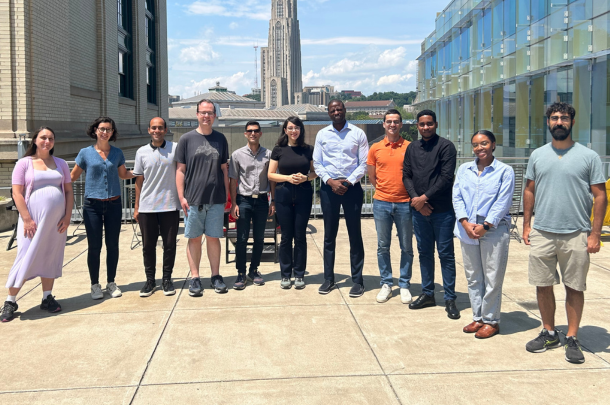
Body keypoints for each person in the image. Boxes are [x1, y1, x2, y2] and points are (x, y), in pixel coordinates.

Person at [523, 102, 607, 364]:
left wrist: (595, 233)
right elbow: (529, 190)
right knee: (543, 285)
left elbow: (600, 195)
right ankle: (549, 332)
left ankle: (572, 336)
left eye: (564, 118)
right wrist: (526, 225)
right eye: (554, 118)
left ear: (572, 121)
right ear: (548, 122)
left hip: (577, 233)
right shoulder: (537, 155)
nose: (559, 122)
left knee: (574, 287)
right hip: (543, 232)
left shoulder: (588, 157)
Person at [1, 128, 74, 322]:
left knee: (50, 255)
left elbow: (68, 191)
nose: (47, 141)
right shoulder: (24, 164)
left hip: (56, 222)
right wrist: (26, 218)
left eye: (50, 138)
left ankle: (46, 297)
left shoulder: (61, 164)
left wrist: (67, 217)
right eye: (43, 137)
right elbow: (16, 193)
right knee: (25, 256)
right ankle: (11, 300)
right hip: (31, 221)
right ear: (35, 140)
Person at [453, 130, 515, 339]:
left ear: (494, 145)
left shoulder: (505, 171)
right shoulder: (464, 169)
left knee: (492, 277)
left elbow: (503, 201)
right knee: (473, 277)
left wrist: (486, 226)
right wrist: (464, 222)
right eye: (476, 145)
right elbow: (457, 196)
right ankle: (478, 317)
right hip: (467, 228)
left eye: (484, 143)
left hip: (494, 230)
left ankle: (491, 320)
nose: (480, 148)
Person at [402, 109, 460, 319]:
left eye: (429, 124)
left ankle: (450, 298)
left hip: (443, 211)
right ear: (417, 126)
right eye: (422, 124)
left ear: (436, 124)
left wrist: (423, 198)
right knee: (424, 253)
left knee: (446, 255)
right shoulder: (412, 148)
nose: (425, 127)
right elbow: (406, 175)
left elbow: (446, 178)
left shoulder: (446, 147)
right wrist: (417, 201)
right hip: (420, 211)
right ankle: (428, 293)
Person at [71, 117, 134, 300]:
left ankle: (111, 282)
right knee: (94, 247)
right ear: (95, 131)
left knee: (112, 245)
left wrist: (143, 172)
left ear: (113, 132)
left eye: (109, 129)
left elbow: (123, 175)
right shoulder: (85, 153)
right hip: (93, 206)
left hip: (114, 205)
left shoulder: (117, 153)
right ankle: (95, 284)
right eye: (102, 129)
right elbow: (72, 176)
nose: (105, 132)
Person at [313, 99, 369, 297]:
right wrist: (330, 182)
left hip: (351, 189)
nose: (336, 112)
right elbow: (317, 163)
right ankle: (329, 278)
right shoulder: (322, 134)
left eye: (339, 109)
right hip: (329, 190)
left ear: (345, 110)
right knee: (329, 235)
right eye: (332, 110)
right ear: (328, 113)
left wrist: (347, 182)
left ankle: (358, 280)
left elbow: (364, 164)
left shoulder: (357, 133)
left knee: (355, 234)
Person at [175, 99, 230, 296]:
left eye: (210, 113)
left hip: (216, 199)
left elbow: (224, 169)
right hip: (193, 200)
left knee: (214, 238)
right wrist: (181, 197)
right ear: (197, 114)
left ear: (214, 116)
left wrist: (227, 195)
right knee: (194, 239)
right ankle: (195, 278)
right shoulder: (186, 139)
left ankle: (216, 276)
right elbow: (180, 170)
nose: (206, 116)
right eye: (203, 112)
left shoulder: (221, 139)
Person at [367, 109, 414, 304]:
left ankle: (404, 284)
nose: (392, 125)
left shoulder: (411, 147)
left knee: (406, 247)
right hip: (382, 203)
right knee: (382, 246)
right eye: (389, 121)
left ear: (401, 124)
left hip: (405, 204)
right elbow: (372, 175)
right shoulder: (375, 148)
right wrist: (385, 192)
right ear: (383, 124)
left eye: (396, 121)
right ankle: (386, 283)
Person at [133, 117, 180, 297]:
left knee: (169, 245)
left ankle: (167, 280)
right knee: (148, 246)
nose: (157, 130)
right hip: (147, 207)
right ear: (149, 130)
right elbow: (139, 180)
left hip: (170, 205)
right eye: (154, 127)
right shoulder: (141, 152)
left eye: (160, 128)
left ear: (165, 130)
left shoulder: (175, 148)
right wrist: (136, 207)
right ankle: (150, 281)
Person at [268, 116, 317, 289]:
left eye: (296, 128)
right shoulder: (278, 149)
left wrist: (305, 177)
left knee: (300, 236)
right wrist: (288, 178)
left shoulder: (308, 149)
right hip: (283, 195)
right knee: (286, 236)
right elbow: (271, 174)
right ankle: (285, 274)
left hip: (303, 195)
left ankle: (299, 273)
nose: (293, 131)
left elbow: (314, 172)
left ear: (301, 130)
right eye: (290, 128)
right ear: (285, 130)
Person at [229, 121, 275, 289]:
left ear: (260, 133)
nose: (253, 133)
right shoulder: (237, 155)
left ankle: (253, 270)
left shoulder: (268, 155)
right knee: (241, 238)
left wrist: (273, 201)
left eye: (256, 131)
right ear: (245, 134)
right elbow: (232, 180)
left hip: (262, 200)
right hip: (244, 200)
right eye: (250, 131)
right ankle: (241, 272)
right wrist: (234, 203)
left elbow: (271, 179)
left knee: (259, 238)